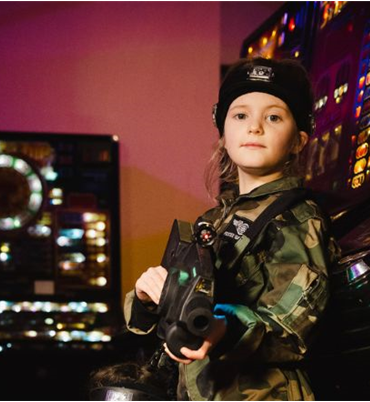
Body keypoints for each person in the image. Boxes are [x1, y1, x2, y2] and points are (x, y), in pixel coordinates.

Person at [123, 57, 341, 401]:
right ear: (223, 135)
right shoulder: (214, 219)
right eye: (240, 116)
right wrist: (147, 297)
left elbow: (292, 328)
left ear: (298, 140)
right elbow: (157, 319)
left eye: (273, 117)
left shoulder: (299, 218)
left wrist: (223, 326)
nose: (255, 127)